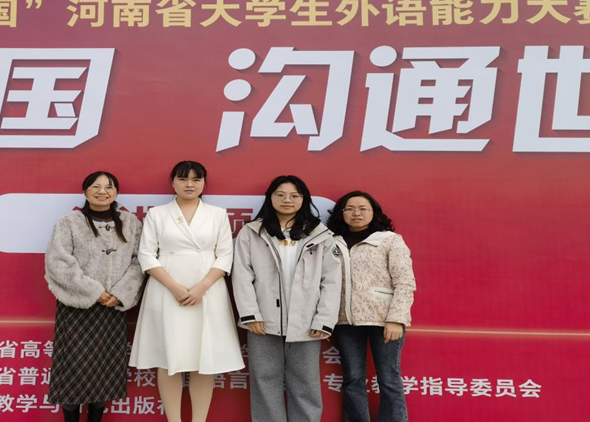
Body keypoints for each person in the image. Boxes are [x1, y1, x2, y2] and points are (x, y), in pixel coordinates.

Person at [129, 160, 244, 422]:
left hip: (208, 291)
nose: (189, 184)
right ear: (173, 183)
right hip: (165, 290)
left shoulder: (217, 214)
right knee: (168, 358)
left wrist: (201, 287)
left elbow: (225, 255)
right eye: (183, 179)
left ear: (204, 183)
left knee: (204, 359)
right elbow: (146, 254)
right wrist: (174, 287)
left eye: (196, 179)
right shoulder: (157, 214)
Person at [232, 175, 342, 422]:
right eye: (280, 195)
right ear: (270, 198)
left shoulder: (320, 234)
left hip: (307, 321)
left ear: (304, 199)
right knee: (264, 381)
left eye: (294, 195)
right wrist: (250, 314)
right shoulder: (252, 232)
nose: (287, 200)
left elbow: (332, 282)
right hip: (262, 320)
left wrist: (324, 320)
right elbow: (242, 275)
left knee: (306, 383)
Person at [45, 171, 144, 422]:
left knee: (103, 372)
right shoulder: (69, 222)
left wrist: (120, 293)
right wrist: (94, 292)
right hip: (77, 307)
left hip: (113, 308)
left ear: (116, 192)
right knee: (71, 373)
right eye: (96, 186)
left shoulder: (131, 223)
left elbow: (139, 262)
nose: (102, 192)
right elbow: (59, 263)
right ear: (84, 191)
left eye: (109, 187)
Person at [326, 191, 416, 422]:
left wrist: (396, 319)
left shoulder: (389, 240)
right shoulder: (331, 241)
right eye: (350, 208)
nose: (356, 213)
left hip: (384, 321)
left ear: (373, 212)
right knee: (352, 379)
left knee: (389, 379)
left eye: (363, 208)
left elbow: (404, 281)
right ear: (341, 213)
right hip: (345, 321)